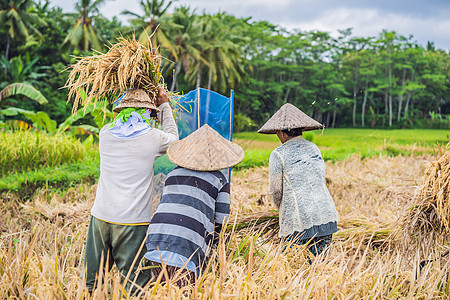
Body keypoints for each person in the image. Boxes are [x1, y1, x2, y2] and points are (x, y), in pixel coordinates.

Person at [83, 87, 179, 292]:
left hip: (100, 218)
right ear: (146, 113)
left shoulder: (105, 133)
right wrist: (164, 106)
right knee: (135, 285)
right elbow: (174, 141)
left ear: (121, 111)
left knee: (92, 283)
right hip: (133, 222)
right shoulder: (153, 138)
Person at [143, 124, 244, 287]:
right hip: (188, 244)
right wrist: (216, 256)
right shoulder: (219, 180)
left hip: (156, 238)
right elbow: (221, 224)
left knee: (159, 289)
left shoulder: (173, 173)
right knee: (183, 291)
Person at [258, 103, 339, 259]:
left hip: (299, 221)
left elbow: (276, 191)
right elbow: (319, 179)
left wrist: (280, 211)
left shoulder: (278, 154)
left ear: (281, 132)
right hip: (326, 215)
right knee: (319, 267)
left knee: (288, 265)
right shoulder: (314, 148)